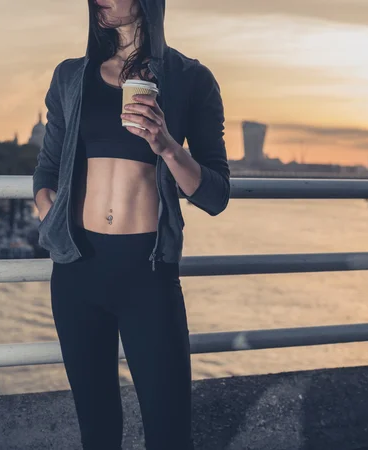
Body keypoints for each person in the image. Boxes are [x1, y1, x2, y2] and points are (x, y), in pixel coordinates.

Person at [32, 0, 230, 448]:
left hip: (147, 275)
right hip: (77, 271)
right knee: (97, 433)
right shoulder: (70, 76)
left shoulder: (190, 78)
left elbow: (216, 195)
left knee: (169, 432)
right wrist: (53, 220)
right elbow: (46, 171)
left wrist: (166, 146)